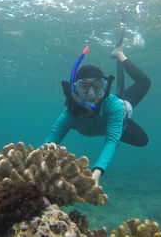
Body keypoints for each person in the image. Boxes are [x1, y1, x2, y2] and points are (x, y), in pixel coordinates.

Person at [44, 45, 151, 186]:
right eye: (84, 87)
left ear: (105, 88)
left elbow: (111, 141)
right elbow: (51, 141)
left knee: (142, 139)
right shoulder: (70, 114)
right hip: (110, 112)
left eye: (98, 86)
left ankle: (119, 54)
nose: (91, 95)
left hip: (119, 113)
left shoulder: (113, 106)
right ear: (74, 89)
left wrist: (97, 171)